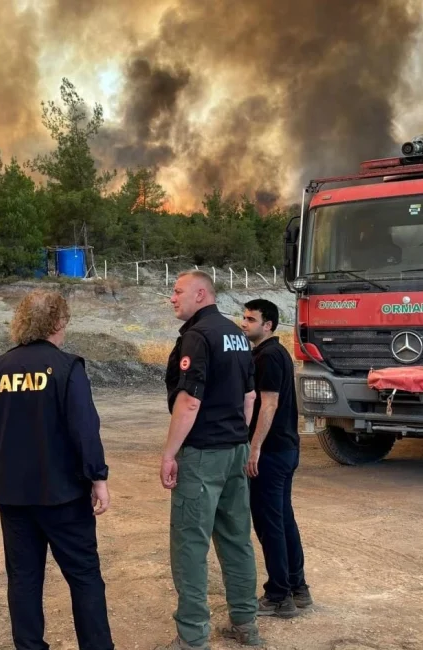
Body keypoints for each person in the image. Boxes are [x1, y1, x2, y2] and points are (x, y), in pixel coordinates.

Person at [0, 290, 114, 650]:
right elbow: (84, 428)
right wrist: (98, 477)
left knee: (23, 578)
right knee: (83, 577)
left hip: (13, 494)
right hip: (63, 493)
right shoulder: (67, 367)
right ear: (58, 322)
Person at [157, 270, 262, 650]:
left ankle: (192, 637)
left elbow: (190, 400)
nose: (172, 298)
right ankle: (246, 624)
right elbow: (250, 398)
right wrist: (238, 438)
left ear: (201, 294)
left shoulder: (198, 337)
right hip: (235, 449)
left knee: (190, 546)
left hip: (203, 455)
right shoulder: (237, 333)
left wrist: (170, 454)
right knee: (237, 540)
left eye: (178, 290)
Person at [239, 299, 313, 619]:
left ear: (268, 325)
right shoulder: (276, 353)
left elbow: (268, 406)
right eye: (243, 317)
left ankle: (279, 596)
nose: (244, 324)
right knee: (283, 520)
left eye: (251, 319)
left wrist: (254, 448)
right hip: (285, 449)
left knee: (270, 525)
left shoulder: (268, 356)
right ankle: (298, 588)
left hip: (271, 454)